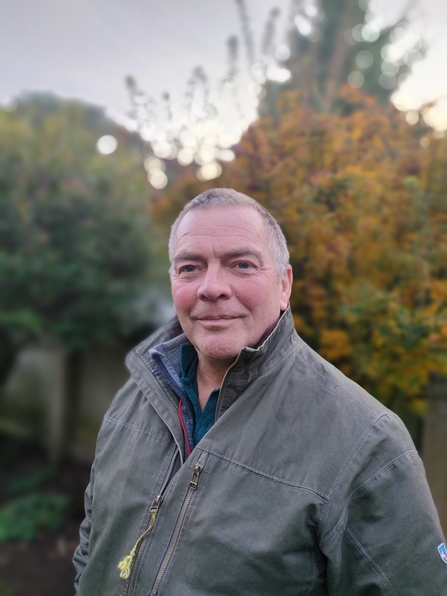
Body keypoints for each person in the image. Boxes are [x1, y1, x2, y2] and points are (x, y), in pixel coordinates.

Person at [73, 188, 447, 595]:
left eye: (242, 264)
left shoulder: (366, 442)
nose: (211, 287)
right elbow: (93, 545)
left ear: (284, 285)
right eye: (190, 268)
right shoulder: (136, 396)